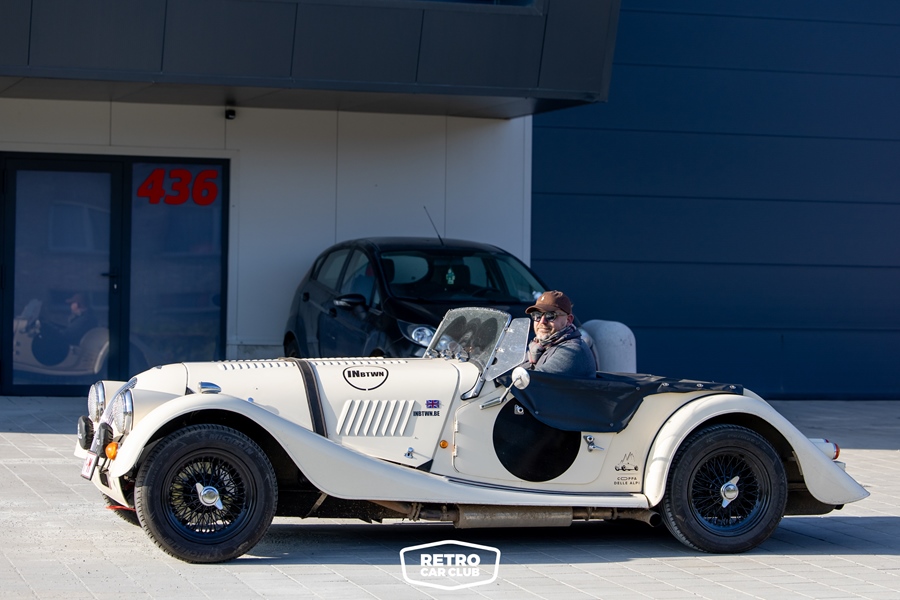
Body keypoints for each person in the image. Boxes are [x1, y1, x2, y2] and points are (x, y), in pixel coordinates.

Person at [524, 290, 596, 377]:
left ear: (568, 320)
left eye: (550, 315)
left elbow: (534, 379)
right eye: (537, 315)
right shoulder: (538, 346)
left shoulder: (573, 350)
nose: (542, 321)